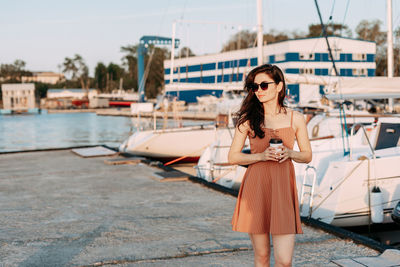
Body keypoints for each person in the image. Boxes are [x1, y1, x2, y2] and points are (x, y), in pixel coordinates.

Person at [228, 64, 312, 267]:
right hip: (256, 189)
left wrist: (290, 153)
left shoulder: (296, 118)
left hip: (283, 189)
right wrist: (262, 156)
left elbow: (307, 155)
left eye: (264, 85)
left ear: (279, 86)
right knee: (262, 256)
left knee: (284, 262)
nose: (258, 91)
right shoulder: (247, 120)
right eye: (254, 87)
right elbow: (233, 157)